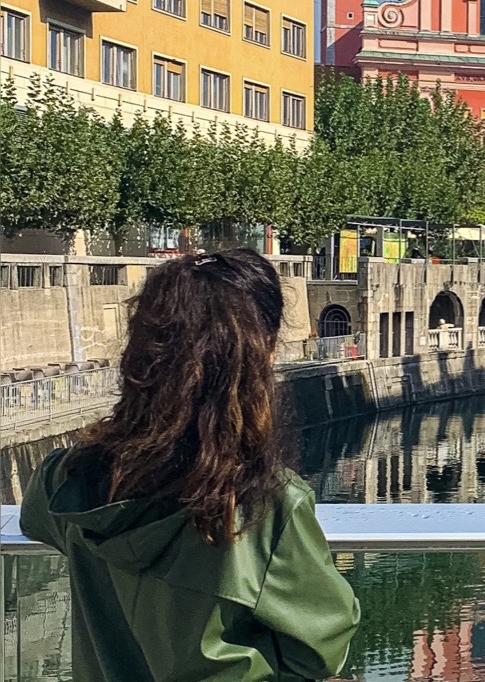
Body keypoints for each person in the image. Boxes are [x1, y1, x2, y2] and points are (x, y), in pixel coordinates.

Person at [20, 249, 360, 682]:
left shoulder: (68, 478)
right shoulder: (266, 504)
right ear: (263, 355)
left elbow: (36, 517)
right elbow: (324, 646)